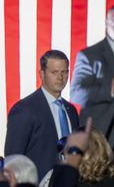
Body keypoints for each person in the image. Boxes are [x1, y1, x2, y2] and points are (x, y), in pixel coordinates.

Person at [71, 4, 114, 186]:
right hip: (103, 140)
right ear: (106, 23)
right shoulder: (90, 55)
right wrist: (109, 89)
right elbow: (76, 93)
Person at [5, 50, 79, 180]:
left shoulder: (71, 111)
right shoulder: (24, 110)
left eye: (64, 72)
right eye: (54, 72)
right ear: (42, 74)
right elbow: (13, 159)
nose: (60, 78)